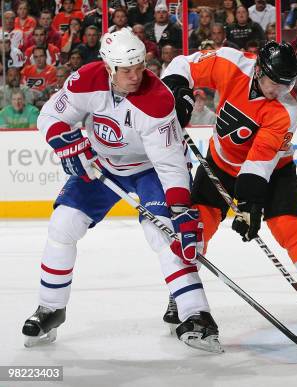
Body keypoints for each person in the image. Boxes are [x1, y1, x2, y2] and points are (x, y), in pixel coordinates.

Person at [21, 28, 221, 354]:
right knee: (63, 224)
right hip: (105, 166)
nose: (135, 75)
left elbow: (170, 166)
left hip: (152, 168)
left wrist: (182, 211)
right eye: (126, 70)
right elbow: (51, 115)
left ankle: (195, 313)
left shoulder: (156, 99)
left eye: (140, 66)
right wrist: (63, 139)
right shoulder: (87, 78)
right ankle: (51, 307)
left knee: (165, 234)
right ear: (108, 66)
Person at [161, 41, 297, 325]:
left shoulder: (286, 112)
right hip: (220, 163)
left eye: (286, 85)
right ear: (259, 70)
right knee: (196, 228)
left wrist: (250, 204)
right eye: (275, 83)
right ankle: (182, 293)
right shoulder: (230, 63)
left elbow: (260, 162)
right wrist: (176, 91)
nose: (279, 92)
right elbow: (182, 65)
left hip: (274, 173)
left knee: (291, 230)